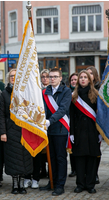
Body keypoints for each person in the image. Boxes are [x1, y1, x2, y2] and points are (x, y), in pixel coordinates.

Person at [0, 69, 33, 194]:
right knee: (12, 159)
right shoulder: (4, 94)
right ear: (8, 78)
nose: (13, 78)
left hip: (24, 130)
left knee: (24, 158)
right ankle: (14, 184)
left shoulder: (27, 92)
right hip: (10, 130)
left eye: (16, 76)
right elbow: (1, 115)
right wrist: (3, 132)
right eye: (11, 76)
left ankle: (22, 184)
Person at [39, 68, 72, 196]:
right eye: (50, 76)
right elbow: (42, 109)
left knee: (60, 157)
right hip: (48, 129)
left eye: (54, 76)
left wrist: (50, 120)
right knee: (50, 157)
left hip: (60, 129)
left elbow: (63, 109)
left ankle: (60, 185)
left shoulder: (66, 91)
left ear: (60, 78)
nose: (52, 79)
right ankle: (51, 181)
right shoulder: (45, 92)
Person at [70, 70, 101, 194]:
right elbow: (71, 115)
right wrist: (71, 132)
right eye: (81, 77)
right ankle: (80, 184)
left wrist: (100, 132)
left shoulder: (96, 94)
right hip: (78, 131)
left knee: (92, 158)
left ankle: (90, 184)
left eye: (85, 77)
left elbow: (100, 115)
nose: (82, 79)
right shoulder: (73, 96)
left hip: (93, 131)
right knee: (79, 159)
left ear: (90, 80)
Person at [86, 66, 101, 184]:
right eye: (87, 73)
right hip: (86, 125)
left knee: (96, 150)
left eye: (91, 73)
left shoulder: (100, 88)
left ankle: (95, 173)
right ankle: (87, 172)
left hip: (97, 123)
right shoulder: (84, 89)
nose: (89, 75)